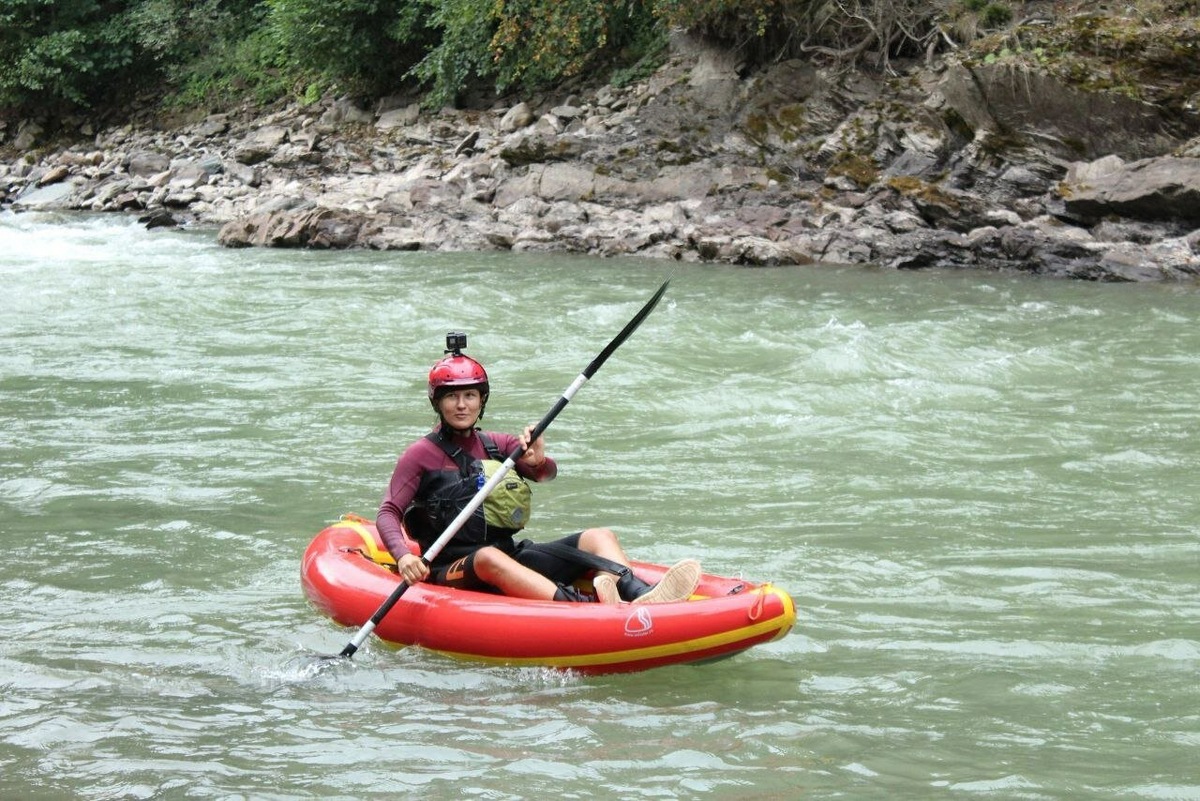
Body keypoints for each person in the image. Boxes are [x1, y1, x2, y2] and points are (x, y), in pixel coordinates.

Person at [376, 334, 701, 605]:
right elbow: (389, 511)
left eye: (470, 395)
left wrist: (536, 459)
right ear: (438, 403)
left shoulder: (497, 445)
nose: (462, 405)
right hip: (452, 567)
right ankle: (581, 610)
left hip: (511, 555)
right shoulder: (420, 455)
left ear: (481, 400)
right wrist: (405, 557)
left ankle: (638, 595)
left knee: (599, 536)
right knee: (489, 557)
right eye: (452, 397)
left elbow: (545, 474)